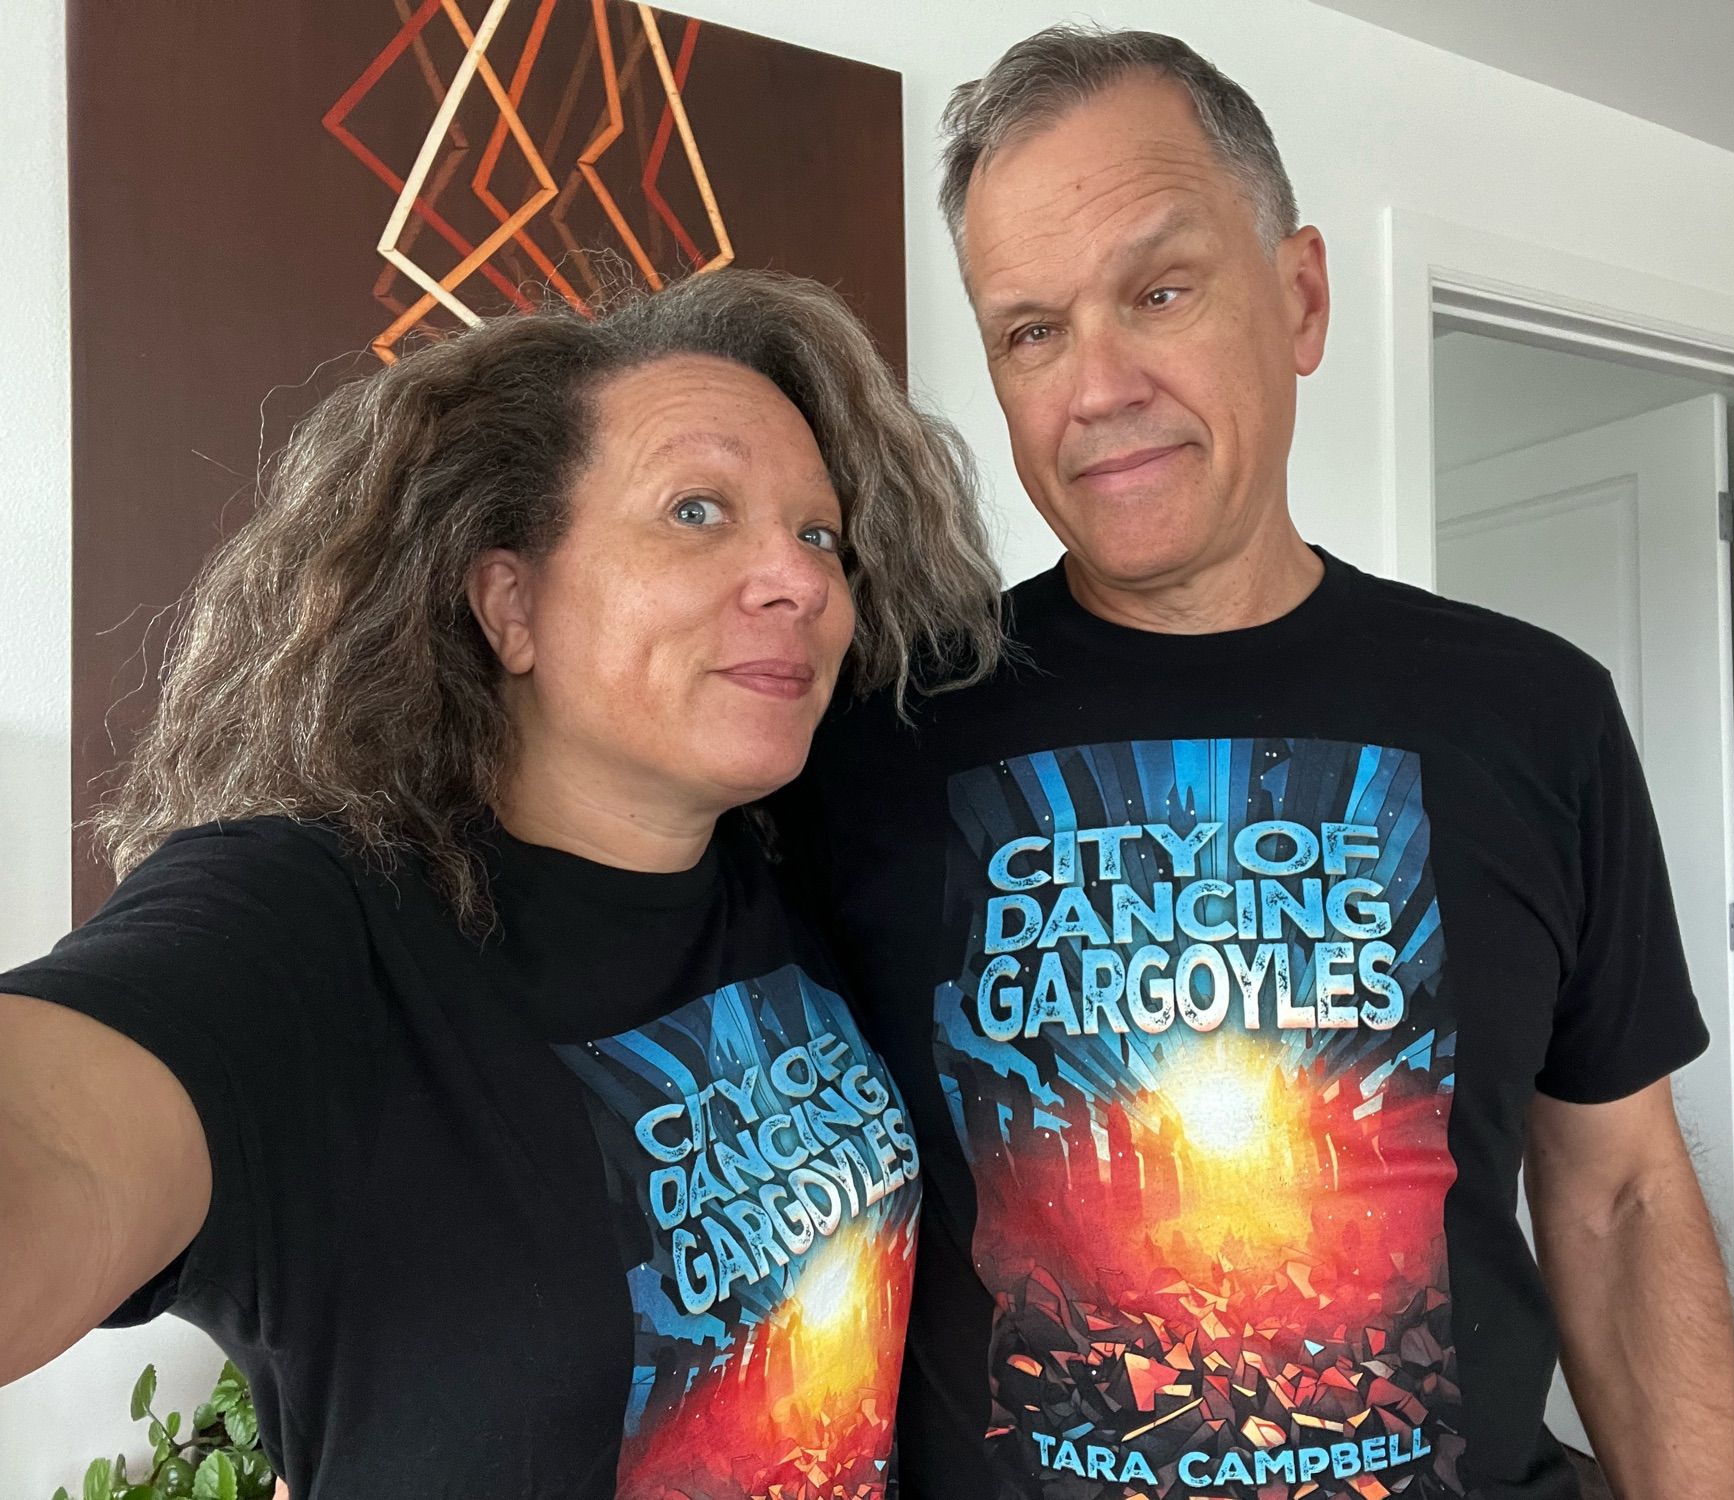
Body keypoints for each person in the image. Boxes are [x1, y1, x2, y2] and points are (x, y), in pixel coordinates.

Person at [775, 26, 1734, 1500]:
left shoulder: (1535, 713)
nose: (1095, 384)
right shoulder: (869, 734)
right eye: (1030, 330)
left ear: (1299, 297)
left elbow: (1615, 1194)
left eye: (1159, 290)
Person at [0, 269, 1003, 1498]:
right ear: (510, 604)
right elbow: (54, 1142)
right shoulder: (314, 920)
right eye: (695, 511)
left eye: (817, 534)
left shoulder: (791, 871)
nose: (797, 580)